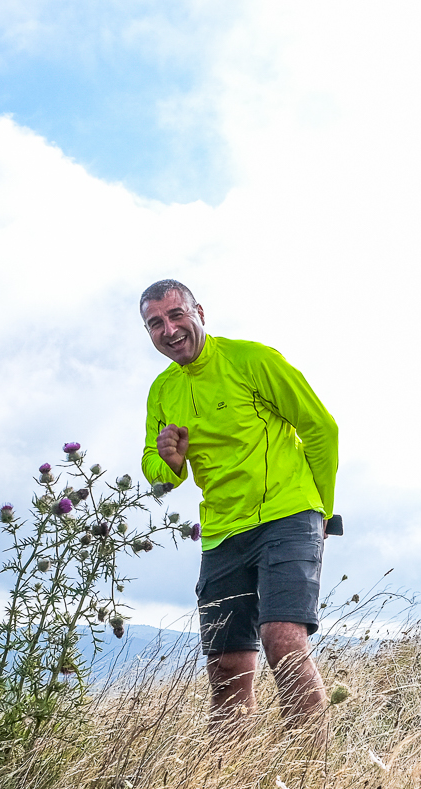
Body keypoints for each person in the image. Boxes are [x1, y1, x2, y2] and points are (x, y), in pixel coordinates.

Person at [139, 279, 340, 733]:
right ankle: (229, 785)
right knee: (227, 668)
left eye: (176, 315)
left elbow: (321, 429)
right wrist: (166, 460)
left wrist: (321, 511)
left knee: (283, 642)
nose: (169, 330)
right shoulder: (162, 390)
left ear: (200, 313)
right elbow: (158, 469)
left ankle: (311, 780)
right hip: (222, 532)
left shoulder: (253, 360)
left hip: (287, 514)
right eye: (155, 323)